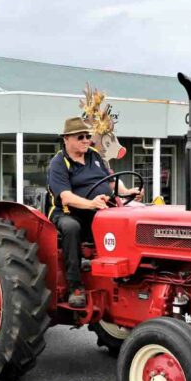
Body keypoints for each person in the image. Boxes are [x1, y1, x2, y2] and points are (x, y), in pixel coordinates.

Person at [47, 117, 139, 308]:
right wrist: (91, 203)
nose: (85, 140)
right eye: (80, 136)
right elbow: (65, 197)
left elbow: (111, 181)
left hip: (99, 208)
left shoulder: (94, 155)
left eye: (88, 136)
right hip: (68, 213)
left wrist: (126, 191)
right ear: (66, 139)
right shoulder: (58, 163)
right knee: (72, 228)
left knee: (128, 220)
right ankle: (75, 287)